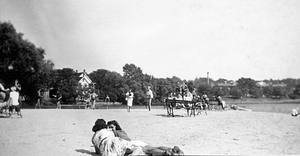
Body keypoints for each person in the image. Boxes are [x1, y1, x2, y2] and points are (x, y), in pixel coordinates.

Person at [106, 120, 184, 156]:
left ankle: (167, 153)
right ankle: (171, 149)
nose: (110, 129)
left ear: (116, 126)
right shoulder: (121, 131)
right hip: (134, 142)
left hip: (131, 144)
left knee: (149, 150)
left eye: (111, 127)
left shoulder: (115, 132)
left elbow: (121, 142)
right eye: (109, 127)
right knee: (153, 148)